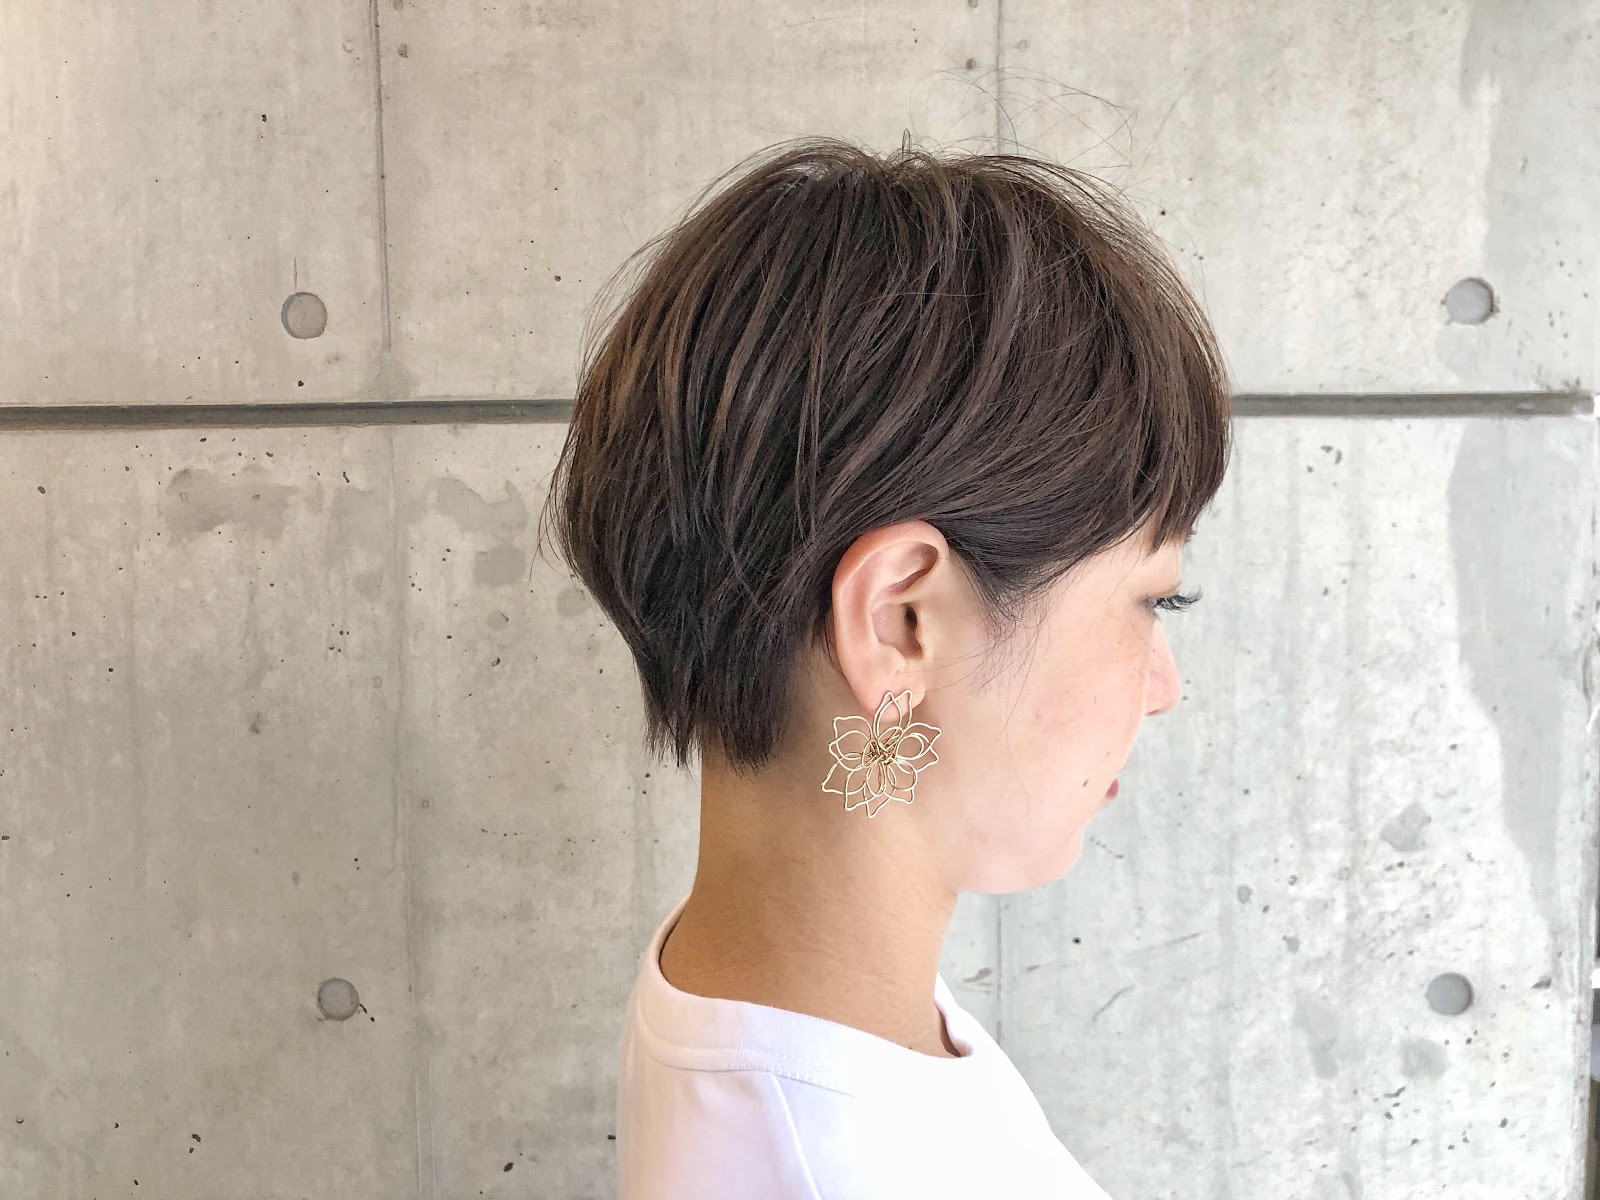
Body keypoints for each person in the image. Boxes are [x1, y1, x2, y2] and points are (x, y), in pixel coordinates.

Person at [536, 134, 1233, 1199]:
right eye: (1152, 599)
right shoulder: (828, 1148)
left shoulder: (764, 990)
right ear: (900, 620)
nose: (1163, 685)